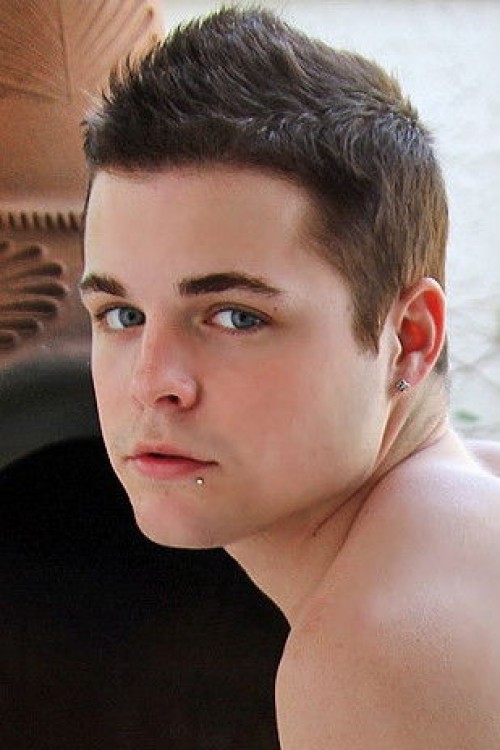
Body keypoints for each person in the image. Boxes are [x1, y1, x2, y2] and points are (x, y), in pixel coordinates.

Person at [79, 7, 500, 748]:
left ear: (409, 338)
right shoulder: (468, 505)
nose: (152, 383)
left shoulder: (380, 648)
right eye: (121, 314)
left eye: (235, 316)